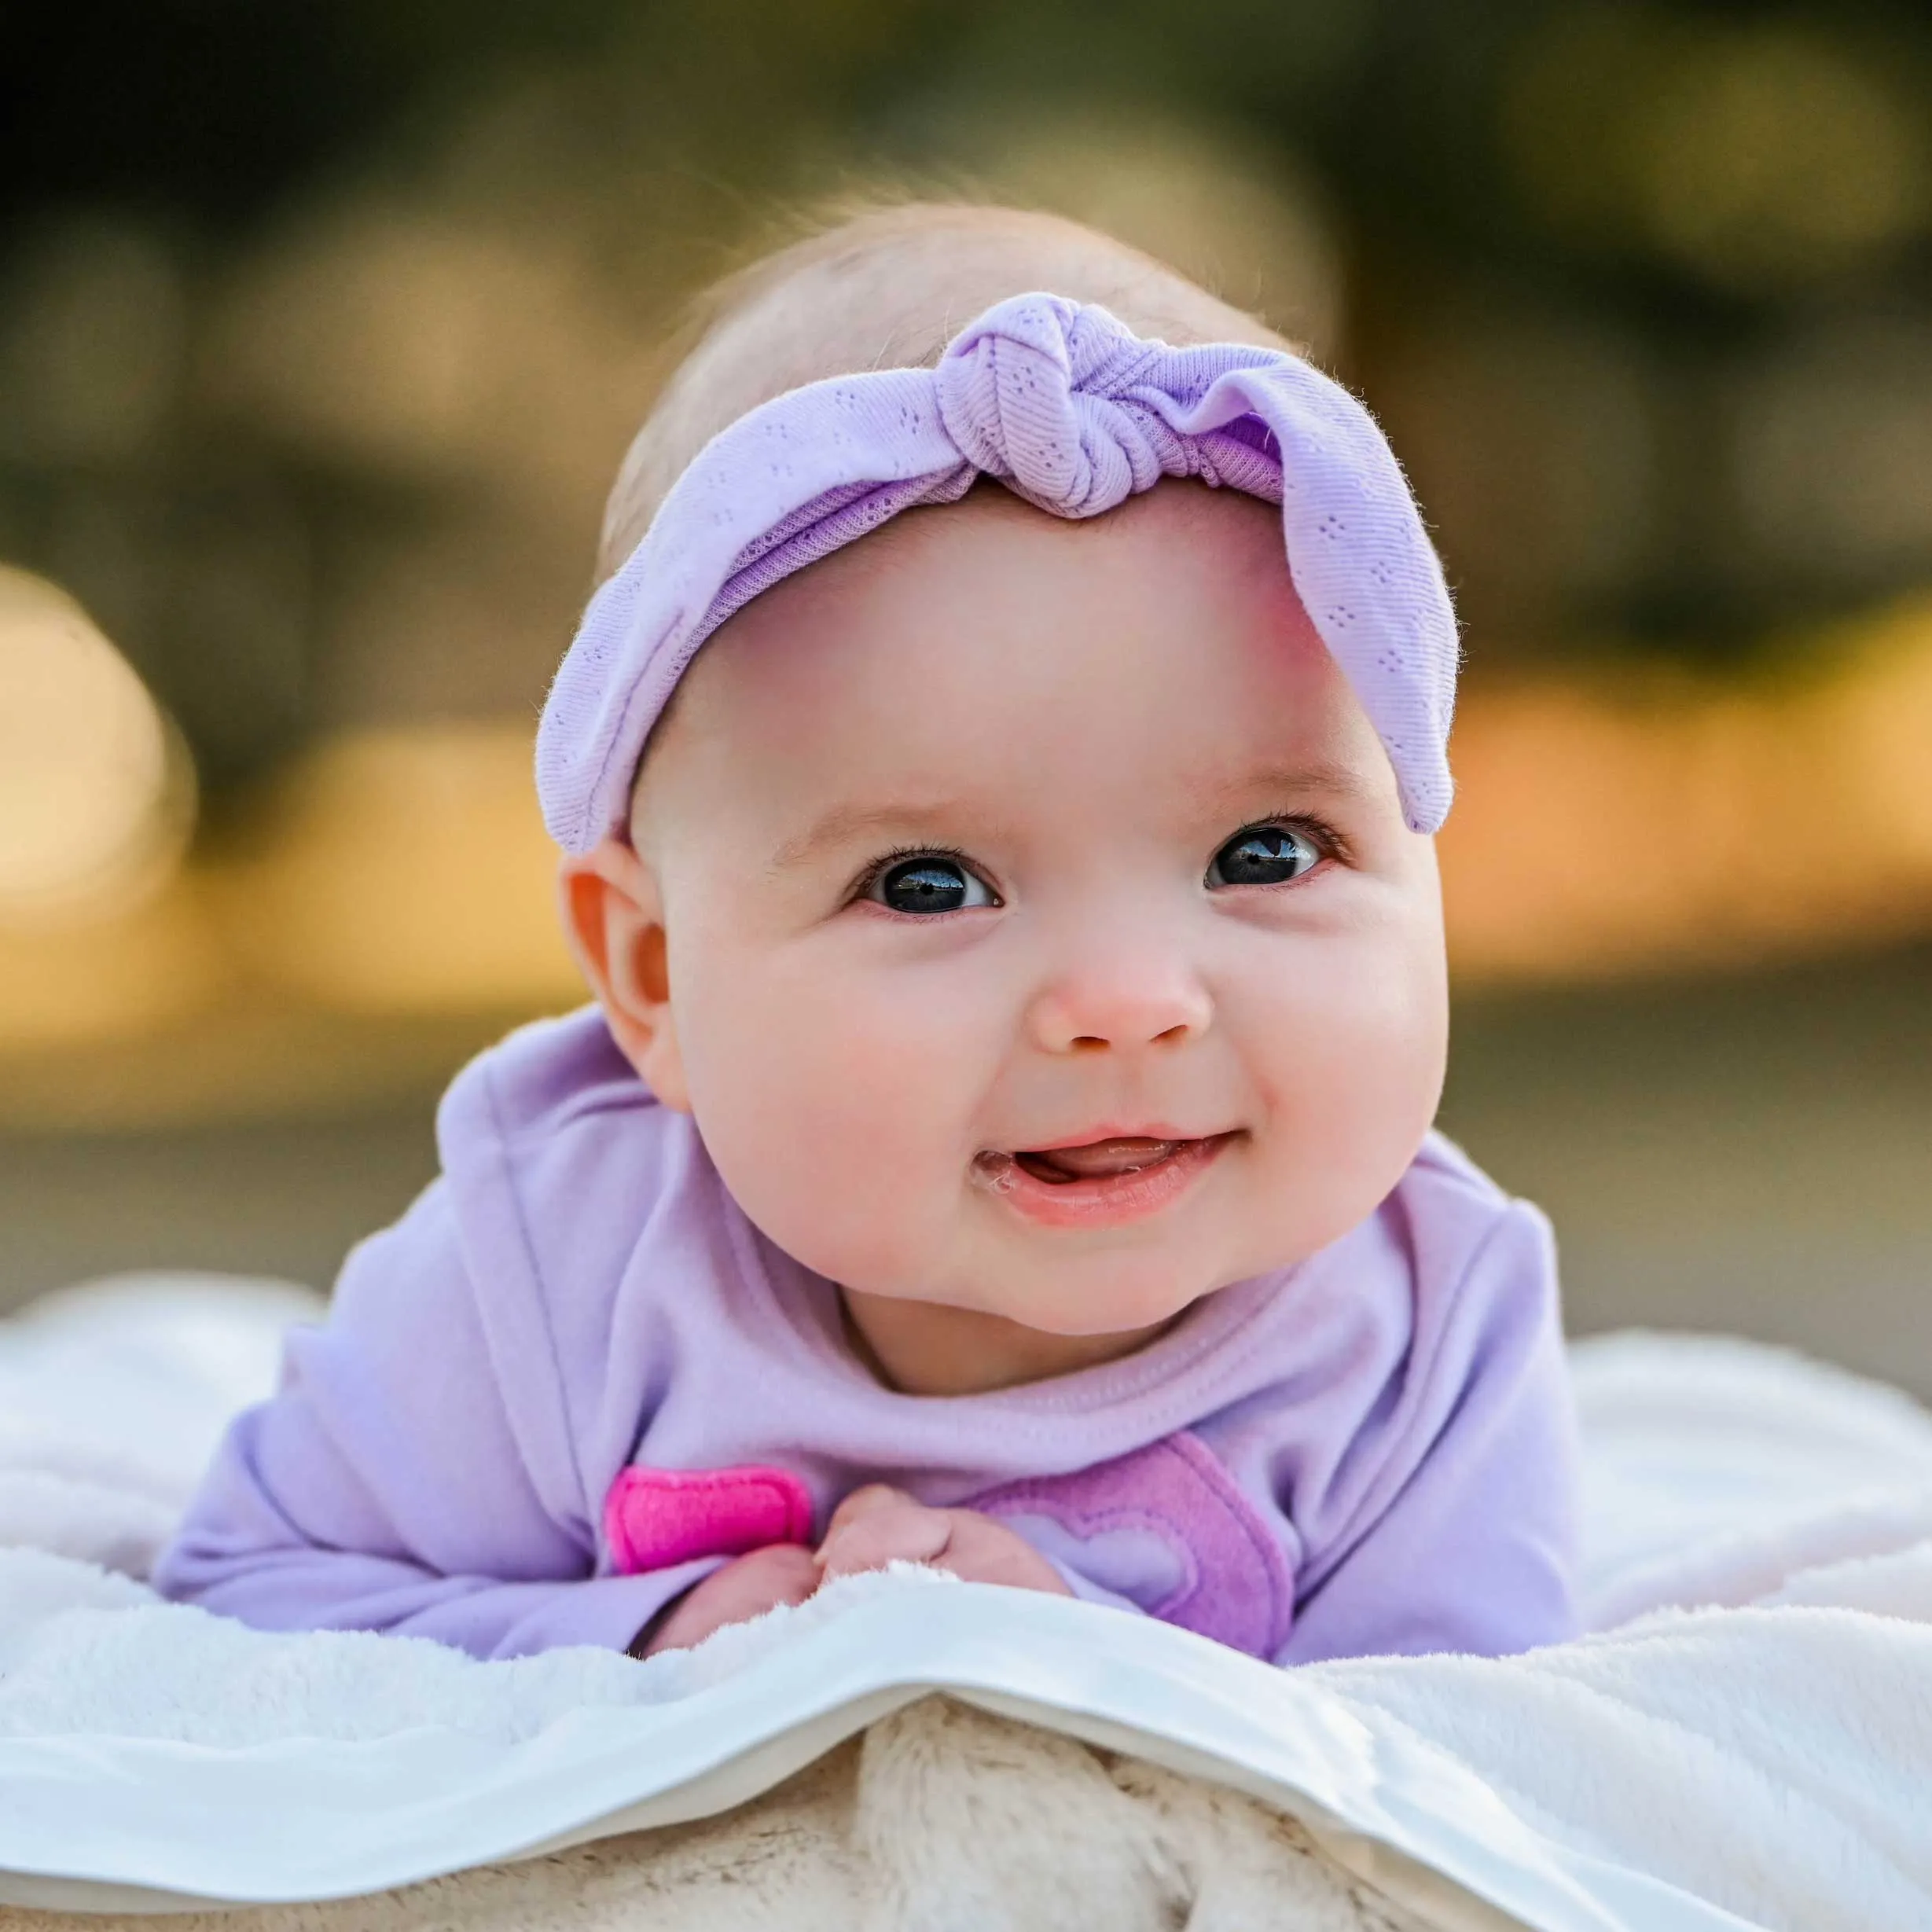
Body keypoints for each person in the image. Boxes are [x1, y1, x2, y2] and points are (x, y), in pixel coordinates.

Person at [153, 203, 1579, 1666]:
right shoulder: (549, 1273)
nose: (1125, 1003)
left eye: (1266, 852)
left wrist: (1100, 1663)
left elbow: (1449, 1766)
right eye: (928, 884)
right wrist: (660, 1633)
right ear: (651, 978)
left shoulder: (1417, 1326)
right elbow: (253, 1609)